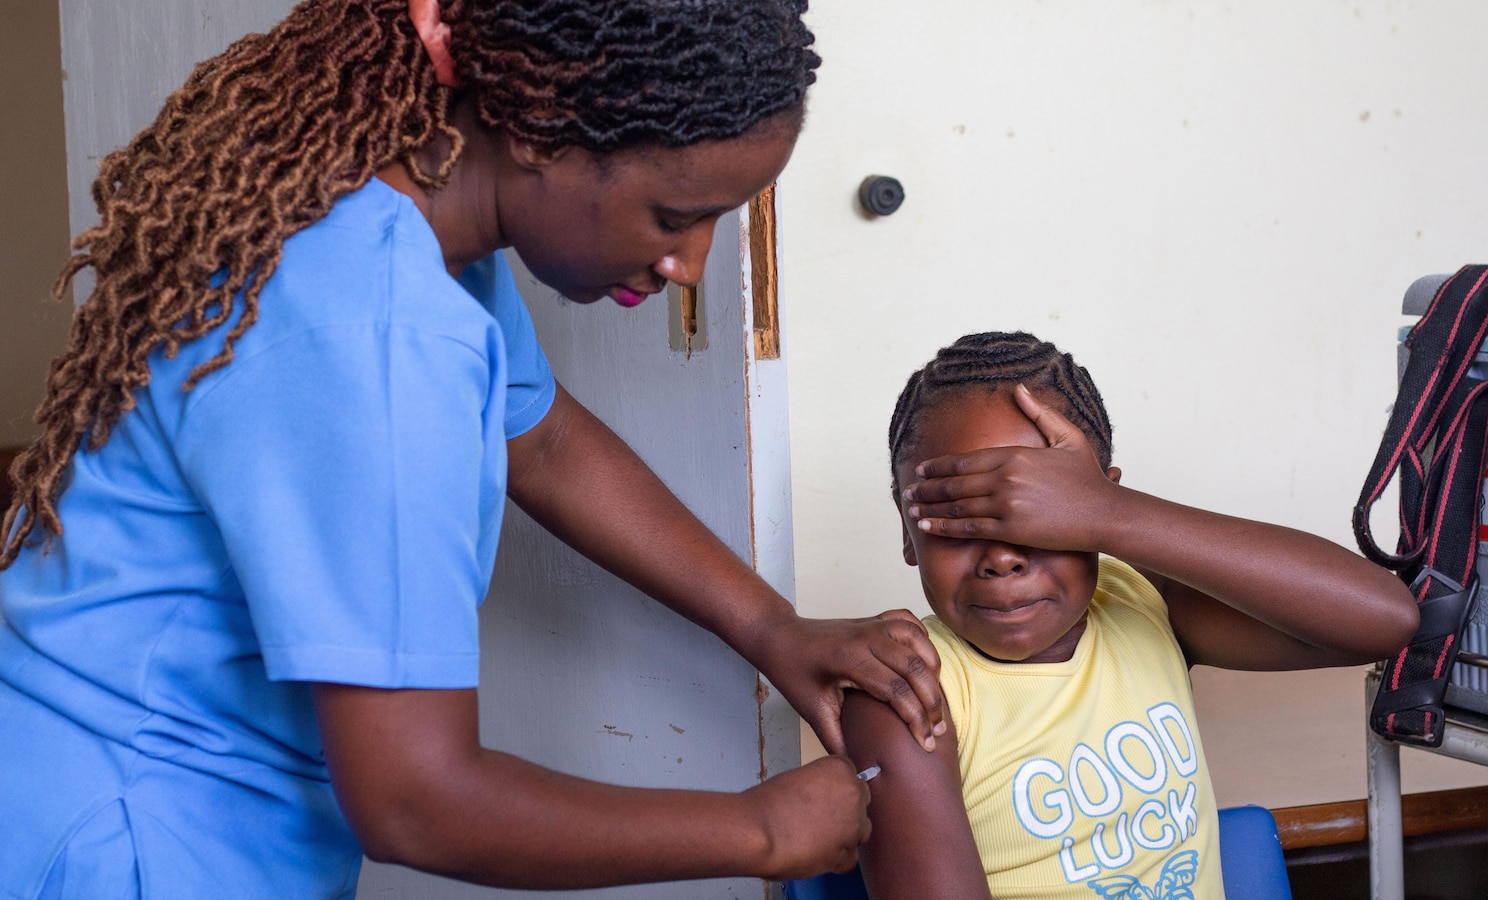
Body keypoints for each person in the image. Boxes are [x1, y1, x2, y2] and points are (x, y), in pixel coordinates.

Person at [0, 1, 949, 896]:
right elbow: (415, 800)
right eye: (673, 216)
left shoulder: (391, 216)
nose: (688, 264)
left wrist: (769, 626)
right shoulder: (377, 333)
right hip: (122, 840)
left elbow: (543, 439)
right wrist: (761, 830)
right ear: (537, 130)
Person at [840, 332, 1419, 899]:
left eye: (1040, 521)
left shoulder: (1139, 601)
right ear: (906, 527)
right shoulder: (907, 689)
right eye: (956, 521)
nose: (1002, 558)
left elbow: (1384, 619)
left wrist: (1110, 514)